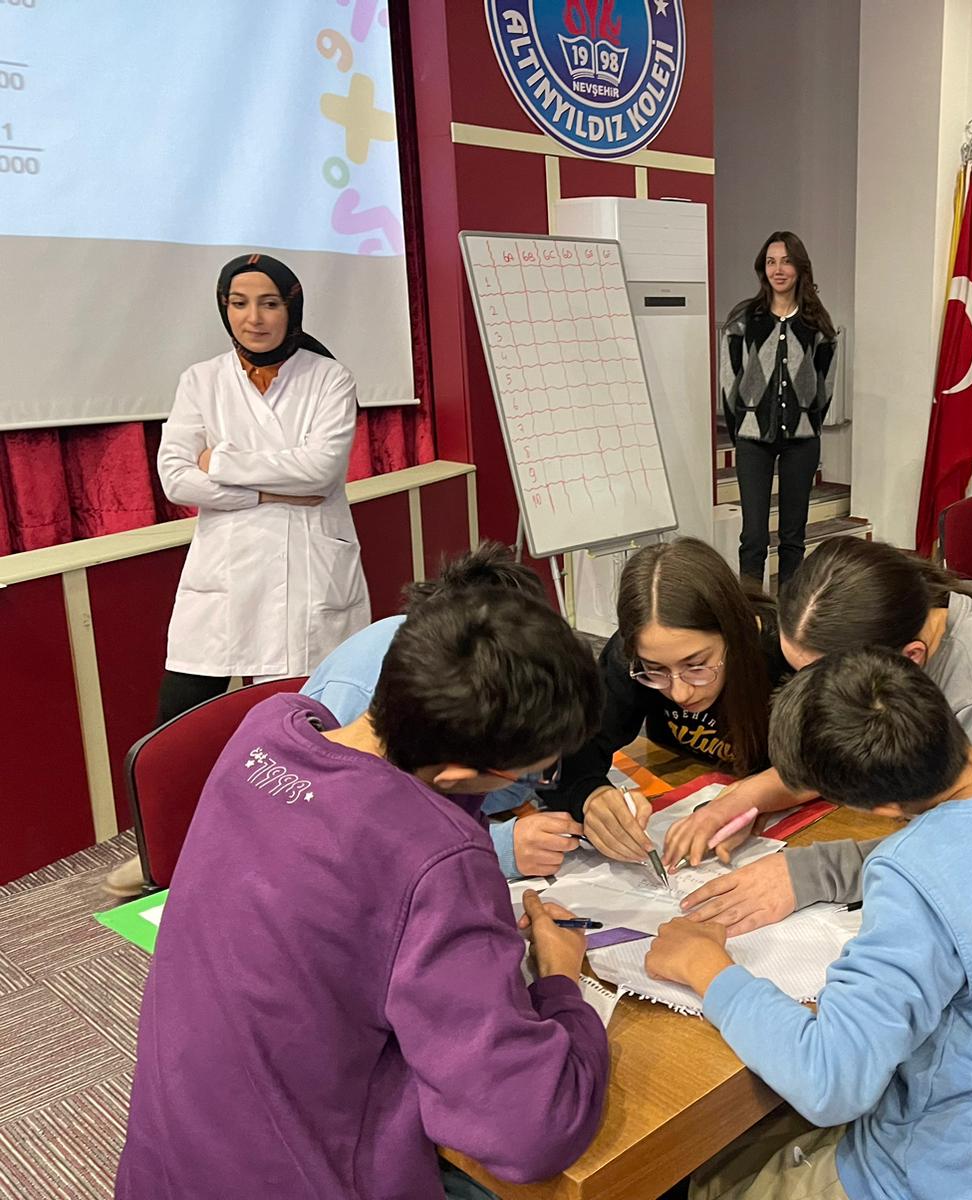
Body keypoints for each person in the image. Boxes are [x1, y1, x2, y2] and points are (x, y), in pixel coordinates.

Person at [116, 589, 610, 1199]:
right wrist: (560, 983)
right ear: (457, 775)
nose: (533, 782)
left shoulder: (269, 727)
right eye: (531, 773)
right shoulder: (435, 859)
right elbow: (529, 1130)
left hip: (165, 1166)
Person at [643, 647, 972, 1200]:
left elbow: (831, 1082)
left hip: (933, 1179)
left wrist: (707, 967)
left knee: (703, 1174)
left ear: (883, 808)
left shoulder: (913, 870)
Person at [106, 253, 369, 898]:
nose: (254, 317)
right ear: (224, 308)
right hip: (224, 572)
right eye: (239, 303)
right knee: (179, 715)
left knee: (311, 712)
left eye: (269, 303)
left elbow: (321, 471)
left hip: (308, 569)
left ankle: (309, 846)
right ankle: (160, 848)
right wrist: (266, 491)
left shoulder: (329, 378)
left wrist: (218, 461)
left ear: (291, 307)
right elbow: (175, 477)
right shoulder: (200, 380)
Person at [665, 535, 972, 937]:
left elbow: (969, 854)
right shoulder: (906, 627)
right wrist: (747, 798)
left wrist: (806, 874)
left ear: (909, 659)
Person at [300, 543, 581, 882]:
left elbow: (502, 783)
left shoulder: (474, 682)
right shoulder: (369, 694)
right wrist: (494, 847)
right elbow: (348, 843)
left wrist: (583, 792)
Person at [535, 537, 793, 865]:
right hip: (681, 780)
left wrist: (750, 797)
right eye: (656, 671)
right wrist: (590, 795)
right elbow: (566, 750)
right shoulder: (632, 657)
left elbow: (828, 759)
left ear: (734, 632)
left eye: (696, 666)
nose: (680, 693)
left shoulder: (783, 653)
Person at [721, 231, 838, 587]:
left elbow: (826, 384)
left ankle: (789, 609)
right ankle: (751, 608)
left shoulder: (817, 324)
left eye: (786, 261)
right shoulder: (744, 319)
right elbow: (729, 379)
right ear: (763, 268)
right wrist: (742, 426)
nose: (778, 270)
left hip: (802, 441)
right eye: (771, 262)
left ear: (800, 267)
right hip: (752, 438)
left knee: (793, 536)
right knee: (753, 536)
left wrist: (807, 421)